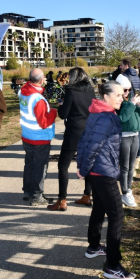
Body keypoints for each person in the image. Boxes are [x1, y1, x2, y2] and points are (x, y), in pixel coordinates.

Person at [77, 81, 136, 279]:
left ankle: (94, 247)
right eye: (118, 95)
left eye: (123, 95)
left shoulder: (99, 112)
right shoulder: (105, 117)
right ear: (106, 97)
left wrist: (82, 167)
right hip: (103, 173)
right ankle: (112, 265)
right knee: (117, 216)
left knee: (99, 209)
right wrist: (83, 168)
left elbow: (85, 139)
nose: (122, 98)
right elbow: (91, 144)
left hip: (98, 171)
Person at [47, 67, 95, 211]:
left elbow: (63, 114)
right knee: (88, 164)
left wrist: (61, 105)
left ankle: (62, 200)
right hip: (88, 130)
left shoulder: (71, 91)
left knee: (63, 165)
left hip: (74, 131)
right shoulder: (91, 90)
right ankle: (87, 195)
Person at [19, 68, 58, 205]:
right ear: (41, 80)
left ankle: (28, 191)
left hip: (27, 135)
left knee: (29, 164)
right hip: (39, 138)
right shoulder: (38, 99)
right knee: (40, 167)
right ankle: (37, 196)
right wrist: (53, 112)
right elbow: (44, 122)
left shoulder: (23, 92)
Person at [115, 75, 140, 208]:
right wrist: (132, 104)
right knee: (125, 166)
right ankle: (125, 192)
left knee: (131, 165)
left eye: (129, 90)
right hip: (124, 137)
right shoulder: (118, 102)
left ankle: (128, 189)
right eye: (125, 90)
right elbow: (122, 118)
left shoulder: (129, 101)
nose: (127, 92)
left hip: (135, 135)